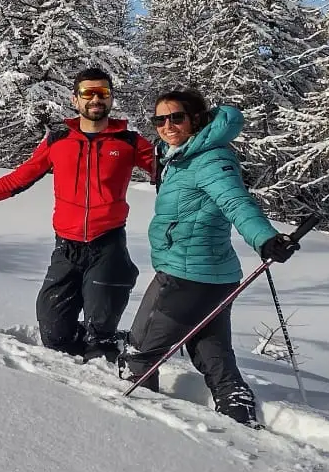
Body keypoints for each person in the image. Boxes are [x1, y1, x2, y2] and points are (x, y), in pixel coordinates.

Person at [0, 67, 156, 362]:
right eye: (88, 93)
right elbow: (19, 179)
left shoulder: (129, 142)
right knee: (53, 332)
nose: (96, 99)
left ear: (111, 98)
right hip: (66, 247)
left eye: (102, 93)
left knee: (100, 334)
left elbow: (170, 172)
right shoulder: (58, 140)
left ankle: (104, 351)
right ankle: (93, 344)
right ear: (75, 99)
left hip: (108, 246)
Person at [123, 88, 301, 426]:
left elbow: (235, 201)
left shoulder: (208, 159)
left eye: (176, 117)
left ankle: (138, 430)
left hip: (185, 276)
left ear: (196, 119)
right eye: (160, 119)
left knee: (140, 353)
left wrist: (264, 239)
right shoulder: (179, 155)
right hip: (213, 277)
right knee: (212, 355)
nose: (167, 125)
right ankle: (240, 419)